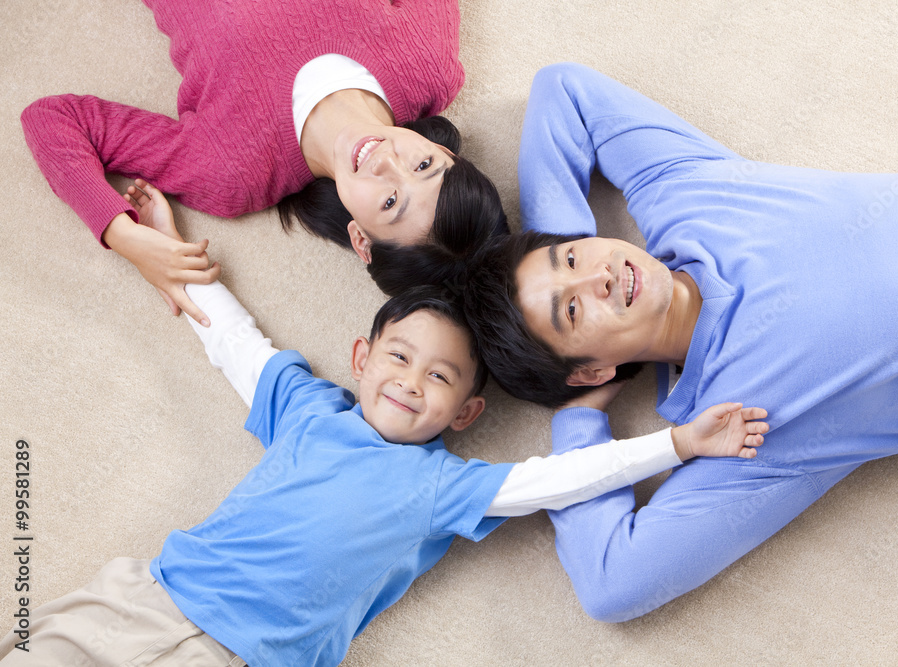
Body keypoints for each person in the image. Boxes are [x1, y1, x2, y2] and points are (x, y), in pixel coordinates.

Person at [0, 183, 768, 666]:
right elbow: (235, 345)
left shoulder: (443, 486)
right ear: (362, 358)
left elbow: (552, 481)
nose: (410, 382)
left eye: (439, 378)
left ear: (467, 413)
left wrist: (678, 441)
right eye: (399, 358)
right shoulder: (306, 410)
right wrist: (167, 249)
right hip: (153, 595)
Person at [463, 63, 898, 622]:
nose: (596, 277)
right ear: (592, 370)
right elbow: (611, 584)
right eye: (571, 310)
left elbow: (563, 90)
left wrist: (557, 243)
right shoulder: (741, 432)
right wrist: (578, 415)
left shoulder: (689, 195)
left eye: (572, 257)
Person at [20, 0, 507, 328]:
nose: (387, 162)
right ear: (444, 152)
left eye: (391, 201)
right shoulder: (426, 64)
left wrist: (123, 236)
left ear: (361, 238)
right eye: (423, 165)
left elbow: (54, 120)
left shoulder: (234, 171)